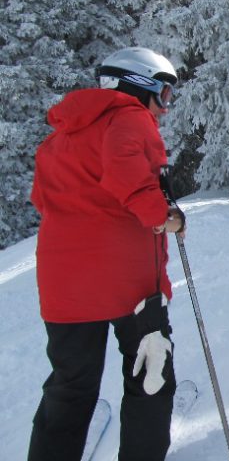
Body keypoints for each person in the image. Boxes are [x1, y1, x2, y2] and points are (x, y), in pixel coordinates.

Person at [28, 47, 186, 461]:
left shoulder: (59, 136)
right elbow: (126, 174)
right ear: (138, 85)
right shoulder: (129, 117)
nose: (164, 108)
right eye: (164, 94)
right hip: (128, 285)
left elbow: (42, 200)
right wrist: (166, 217)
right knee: (150, 374)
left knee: (70, 386)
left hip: (63, 287)